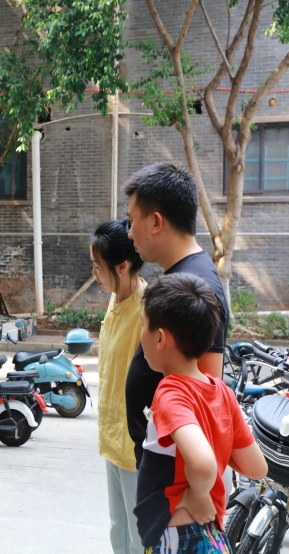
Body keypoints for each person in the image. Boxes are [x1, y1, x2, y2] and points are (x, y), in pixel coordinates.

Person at [133, 273, 266, 553]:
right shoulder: (222, 392)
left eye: (143, 324)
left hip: (179, 538)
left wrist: (195, 494)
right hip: (211, 538)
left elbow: (204, 465)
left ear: (160, 338)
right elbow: (257, 467)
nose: (141, 334)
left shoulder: (171, 392)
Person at [122, 162, 230, 468]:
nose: (129, 233)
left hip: (174, 478)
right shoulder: (182, 277)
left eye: (132, 221)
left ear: (156, 222)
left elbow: (205, 397)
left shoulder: (198, 287)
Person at [91, 220, 146, 554]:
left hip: (134, 444)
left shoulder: (146, 308)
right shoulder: (116, 298)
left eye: (99, 266)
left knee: (139, 537)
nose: (94, 273)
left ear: (122, 266)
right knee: (117, 529)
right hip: (111, 436)